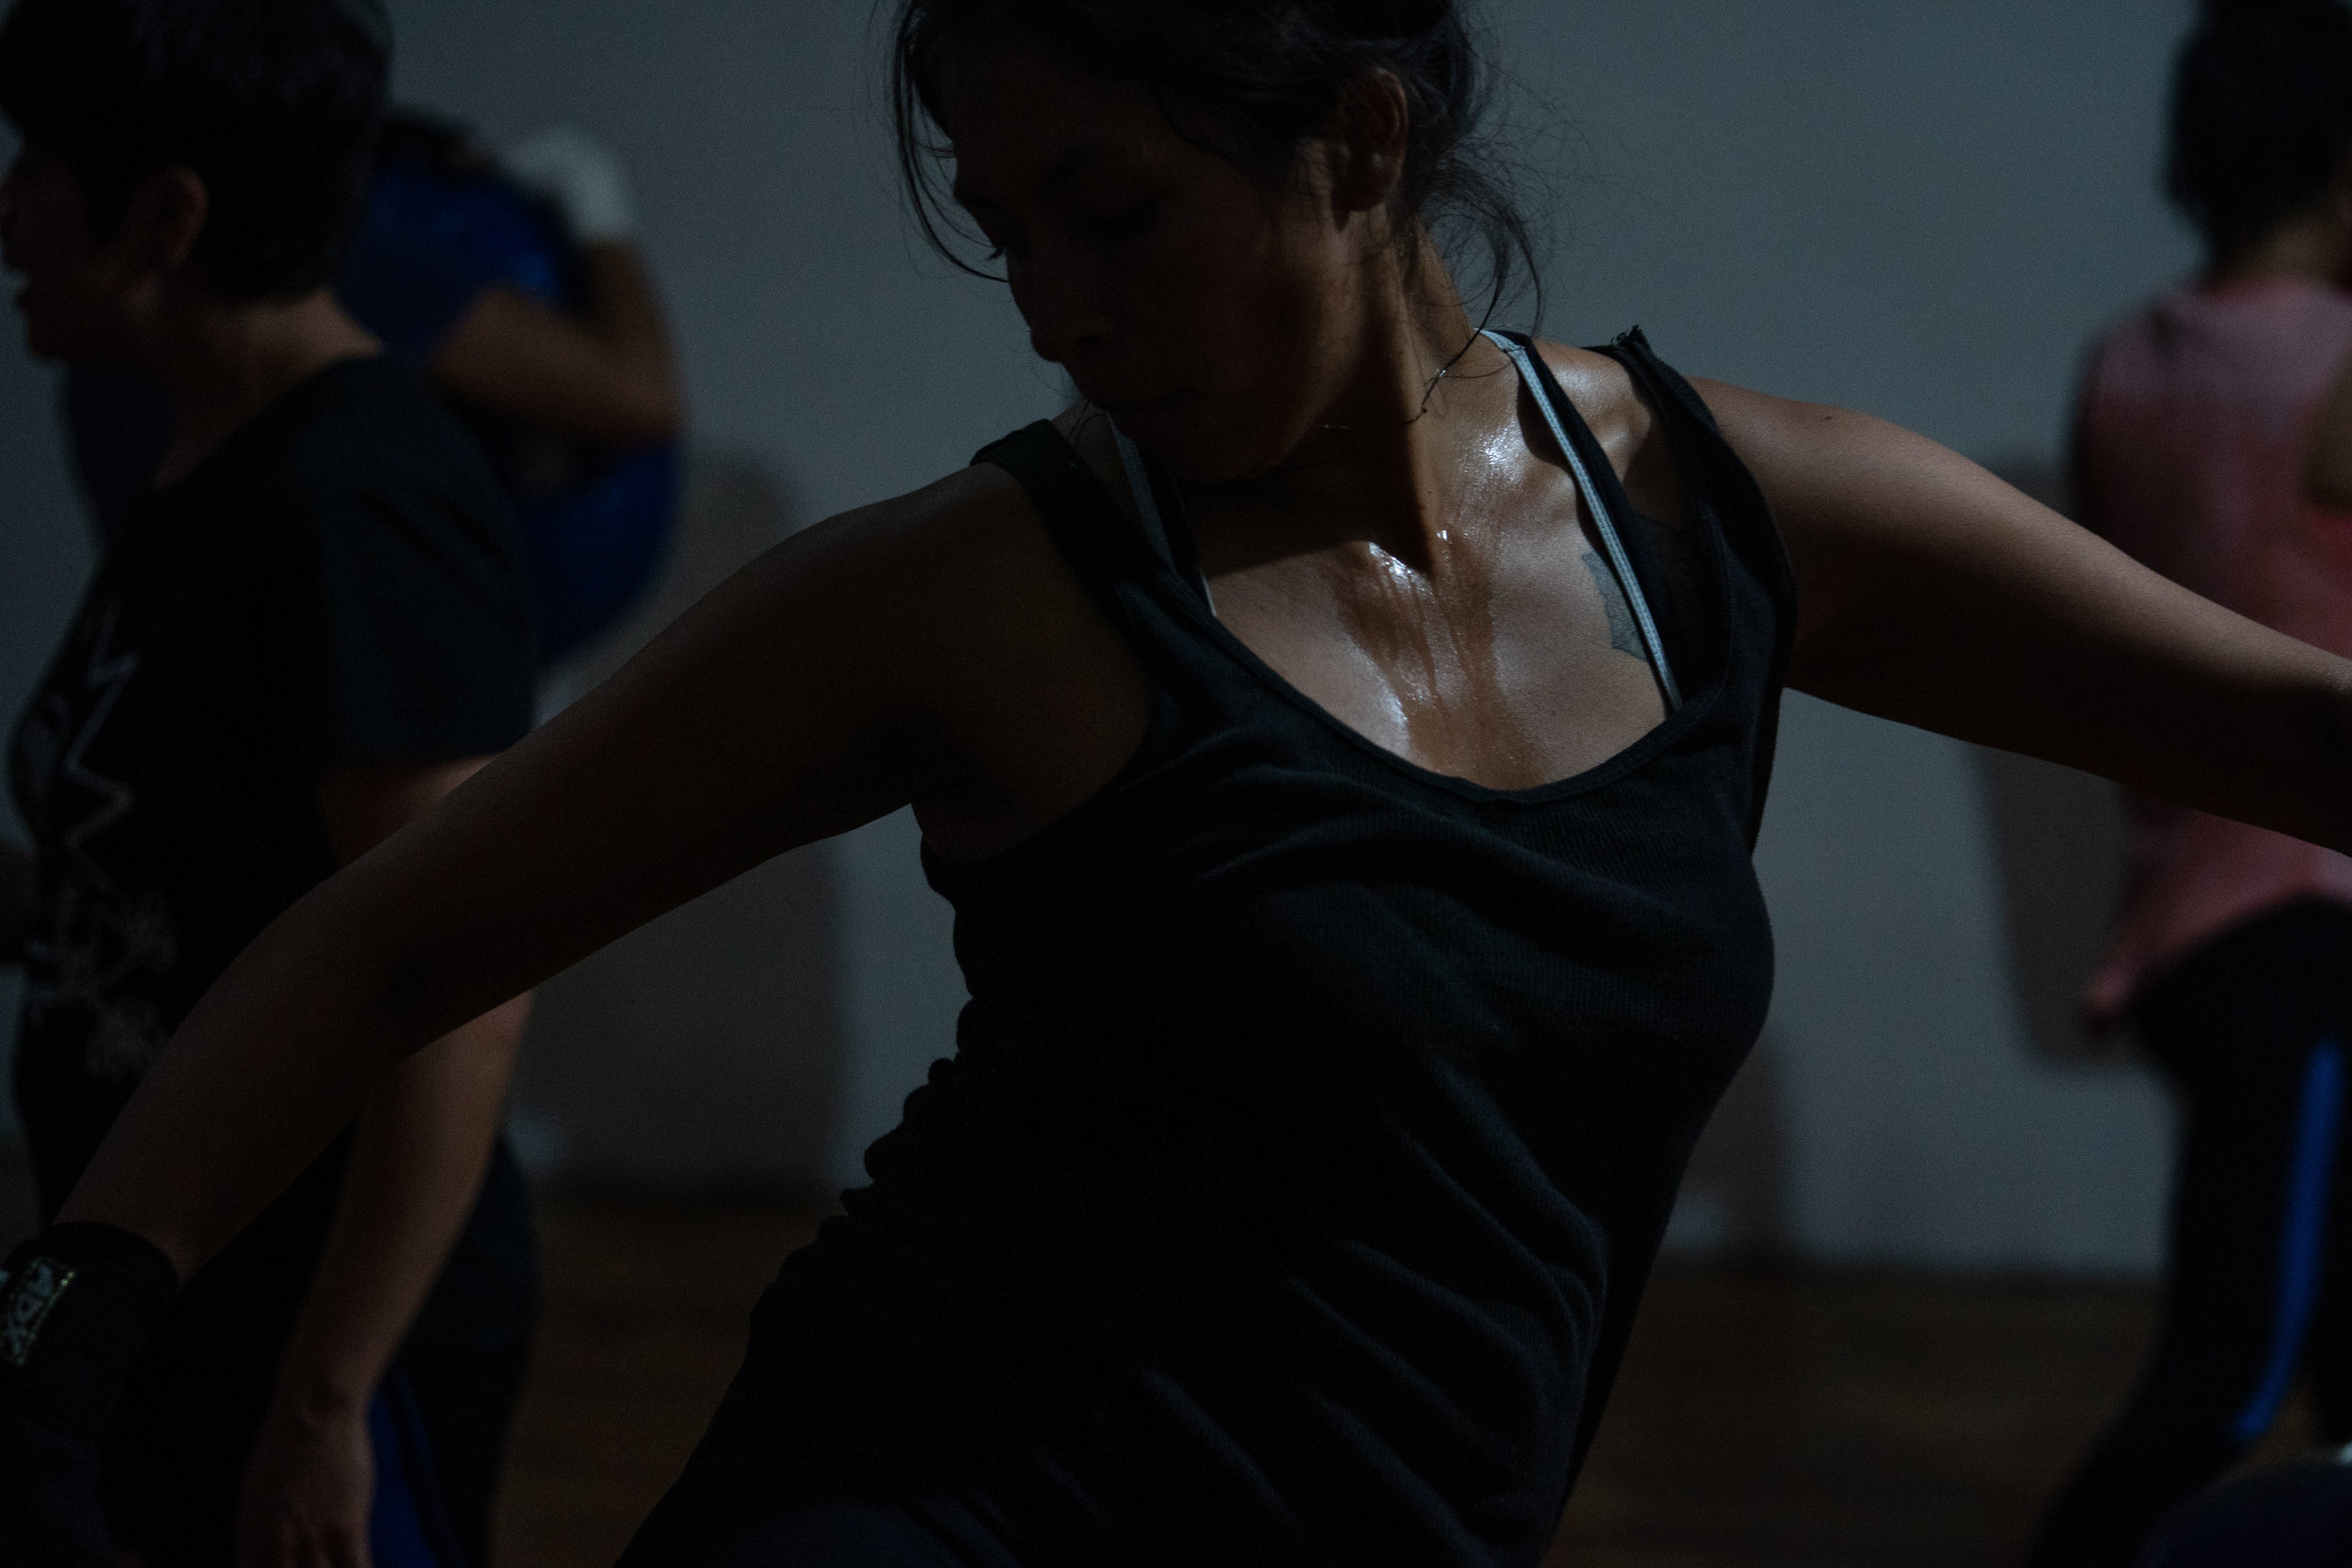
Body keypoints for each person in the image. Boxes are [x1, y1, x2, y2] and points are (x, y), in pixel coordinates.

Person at [7, 0, 2352, 1564]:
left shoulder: (1721, 521)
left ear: (1359, 133)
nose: (1047, 302)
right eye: (1002, 225)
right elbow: (406, 926)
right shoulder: (995, 583)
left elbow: (2296, 732)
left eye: (1106, 212)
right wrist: (75, 1323)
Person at [0, 1, 541, 1565]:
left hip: (308, 1331)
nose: (6, 209)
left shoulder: (364, 502)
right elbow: (193, 880)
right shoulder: (210, 455)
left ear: (165, 215)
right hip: (173, 1299)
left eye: (35, 165)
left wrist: (326, 1404)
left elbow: (460, 991)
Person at [2026, 2, 2352, 1563]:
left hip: (2189, 927)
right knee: (2230, 1382)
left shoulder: (2126, 363)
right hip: (2313, 933)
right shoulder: (2343, 367)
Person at [61, 108, 685, 671]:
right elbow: (637, 394)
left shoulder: (112, 359)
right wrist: (594, 201)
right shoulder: (325, 264)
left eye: (31, 168)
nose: (7, 204)